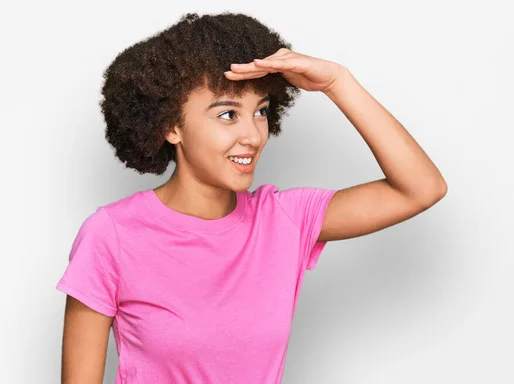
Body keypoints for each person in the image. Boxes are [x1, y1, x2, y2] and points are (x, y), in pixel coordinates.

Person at [56, 11, 447, 384]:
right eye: (228, 114)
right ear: (172, 126)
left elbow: (420, 188)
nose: (254, 135)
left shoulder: (283, 220)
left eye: (260, 111)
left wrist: (337, 83)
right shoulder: (113, 234)